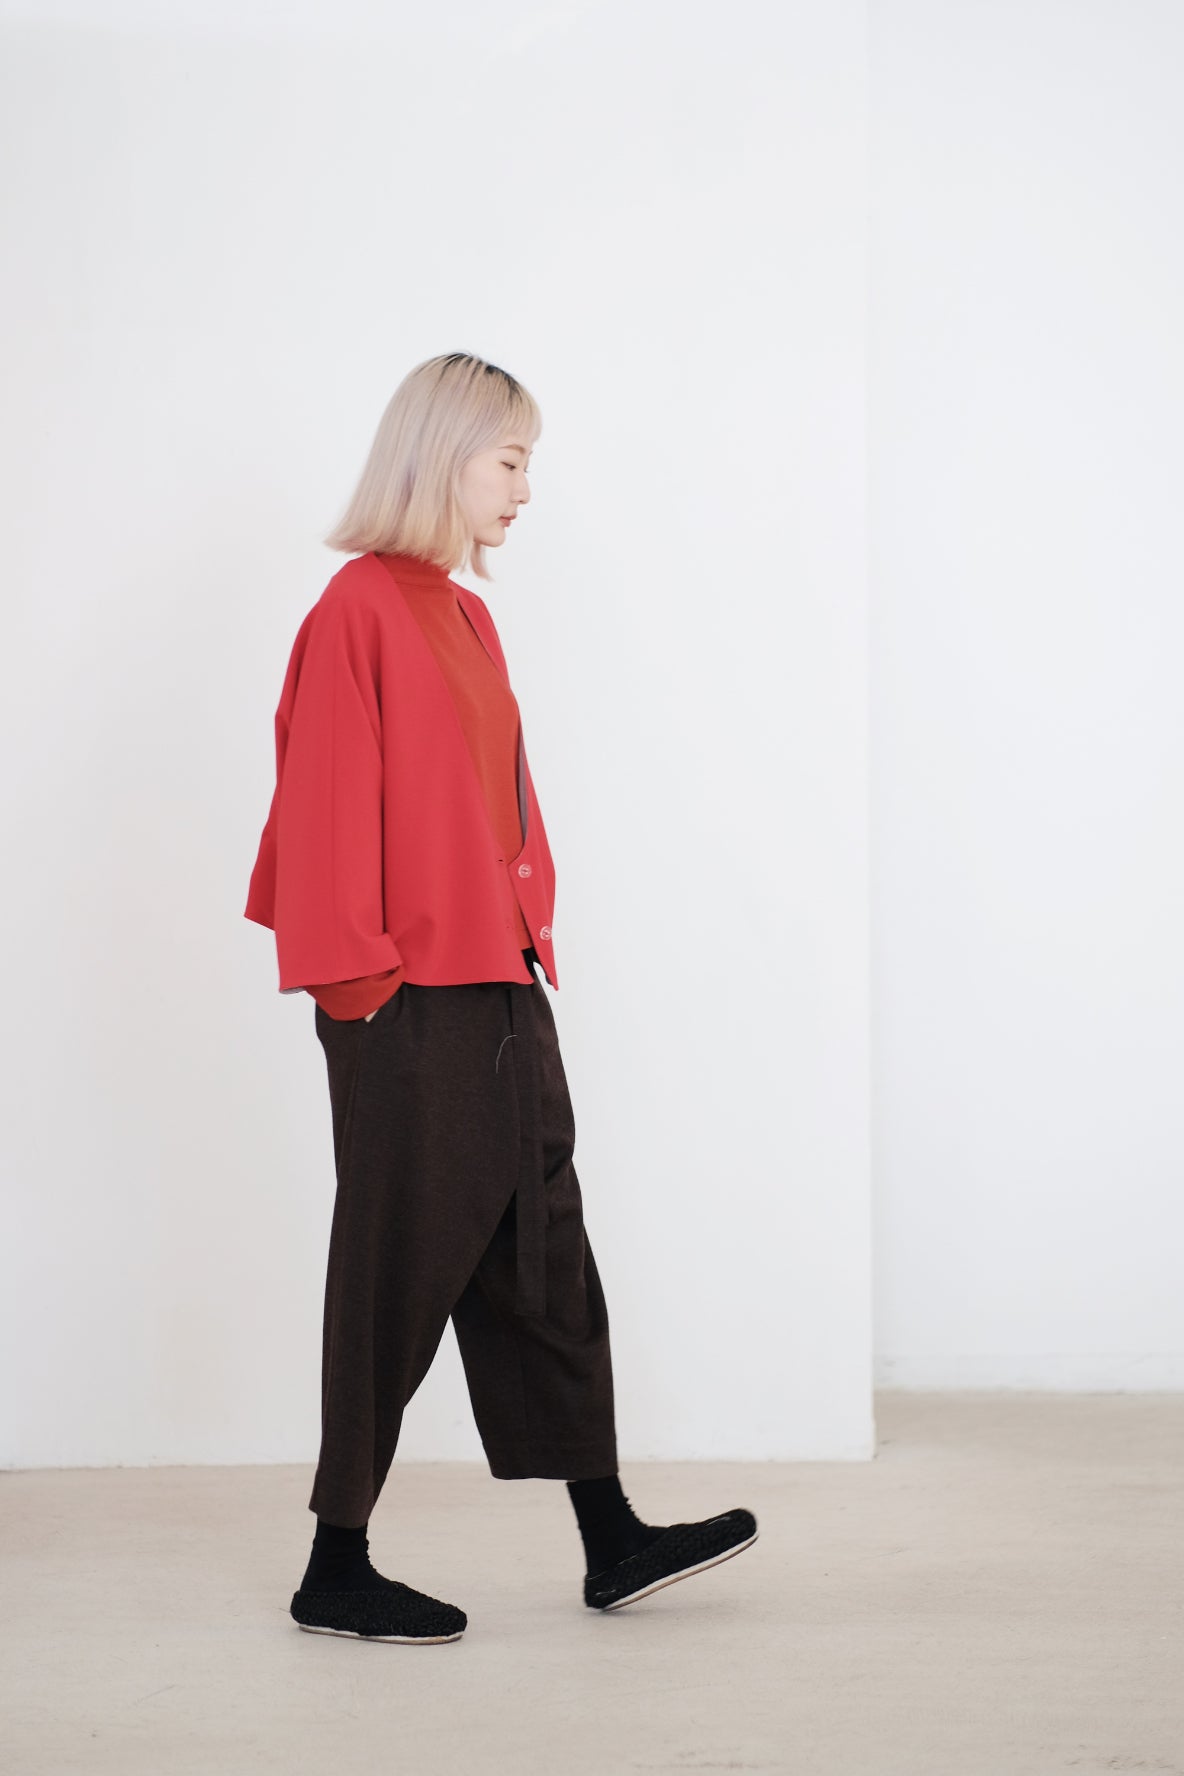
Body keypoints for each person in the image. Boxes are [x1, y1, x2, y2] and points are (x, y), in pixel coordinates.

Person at [243, 350, 758, 1645]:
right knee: (396, 1266)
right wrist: (362, 989)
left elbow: (490, 803)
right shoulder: (358, 609)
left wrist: (523, 946)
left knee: (545, 1254)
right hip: (408, 1000)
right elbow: (321, 803)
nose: (526, 488)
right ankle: (335, 1563)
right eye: (511, 459)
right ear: (443, 457)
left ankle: (611, 1534)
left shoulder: (467, 615)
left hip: (502, 983)